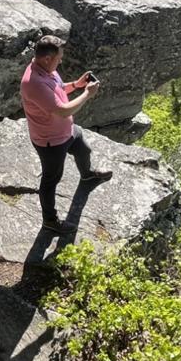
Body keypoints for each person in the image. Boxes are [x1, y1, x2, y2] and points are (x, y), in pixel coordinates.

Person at [19, 34, 113, 234]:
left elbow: (58, 89)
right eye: (59, 57)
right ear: (47, 58)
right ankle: (50, 221)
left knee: (84, 150)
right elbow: (62, 110)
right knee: (51, 180)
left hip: (66, 131)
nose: (61, 60)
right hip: (50, 141)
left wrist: (77, 85)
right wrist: (87, 93)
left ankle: (87, 176)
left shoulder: (45, 70)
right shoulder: (33, 83)